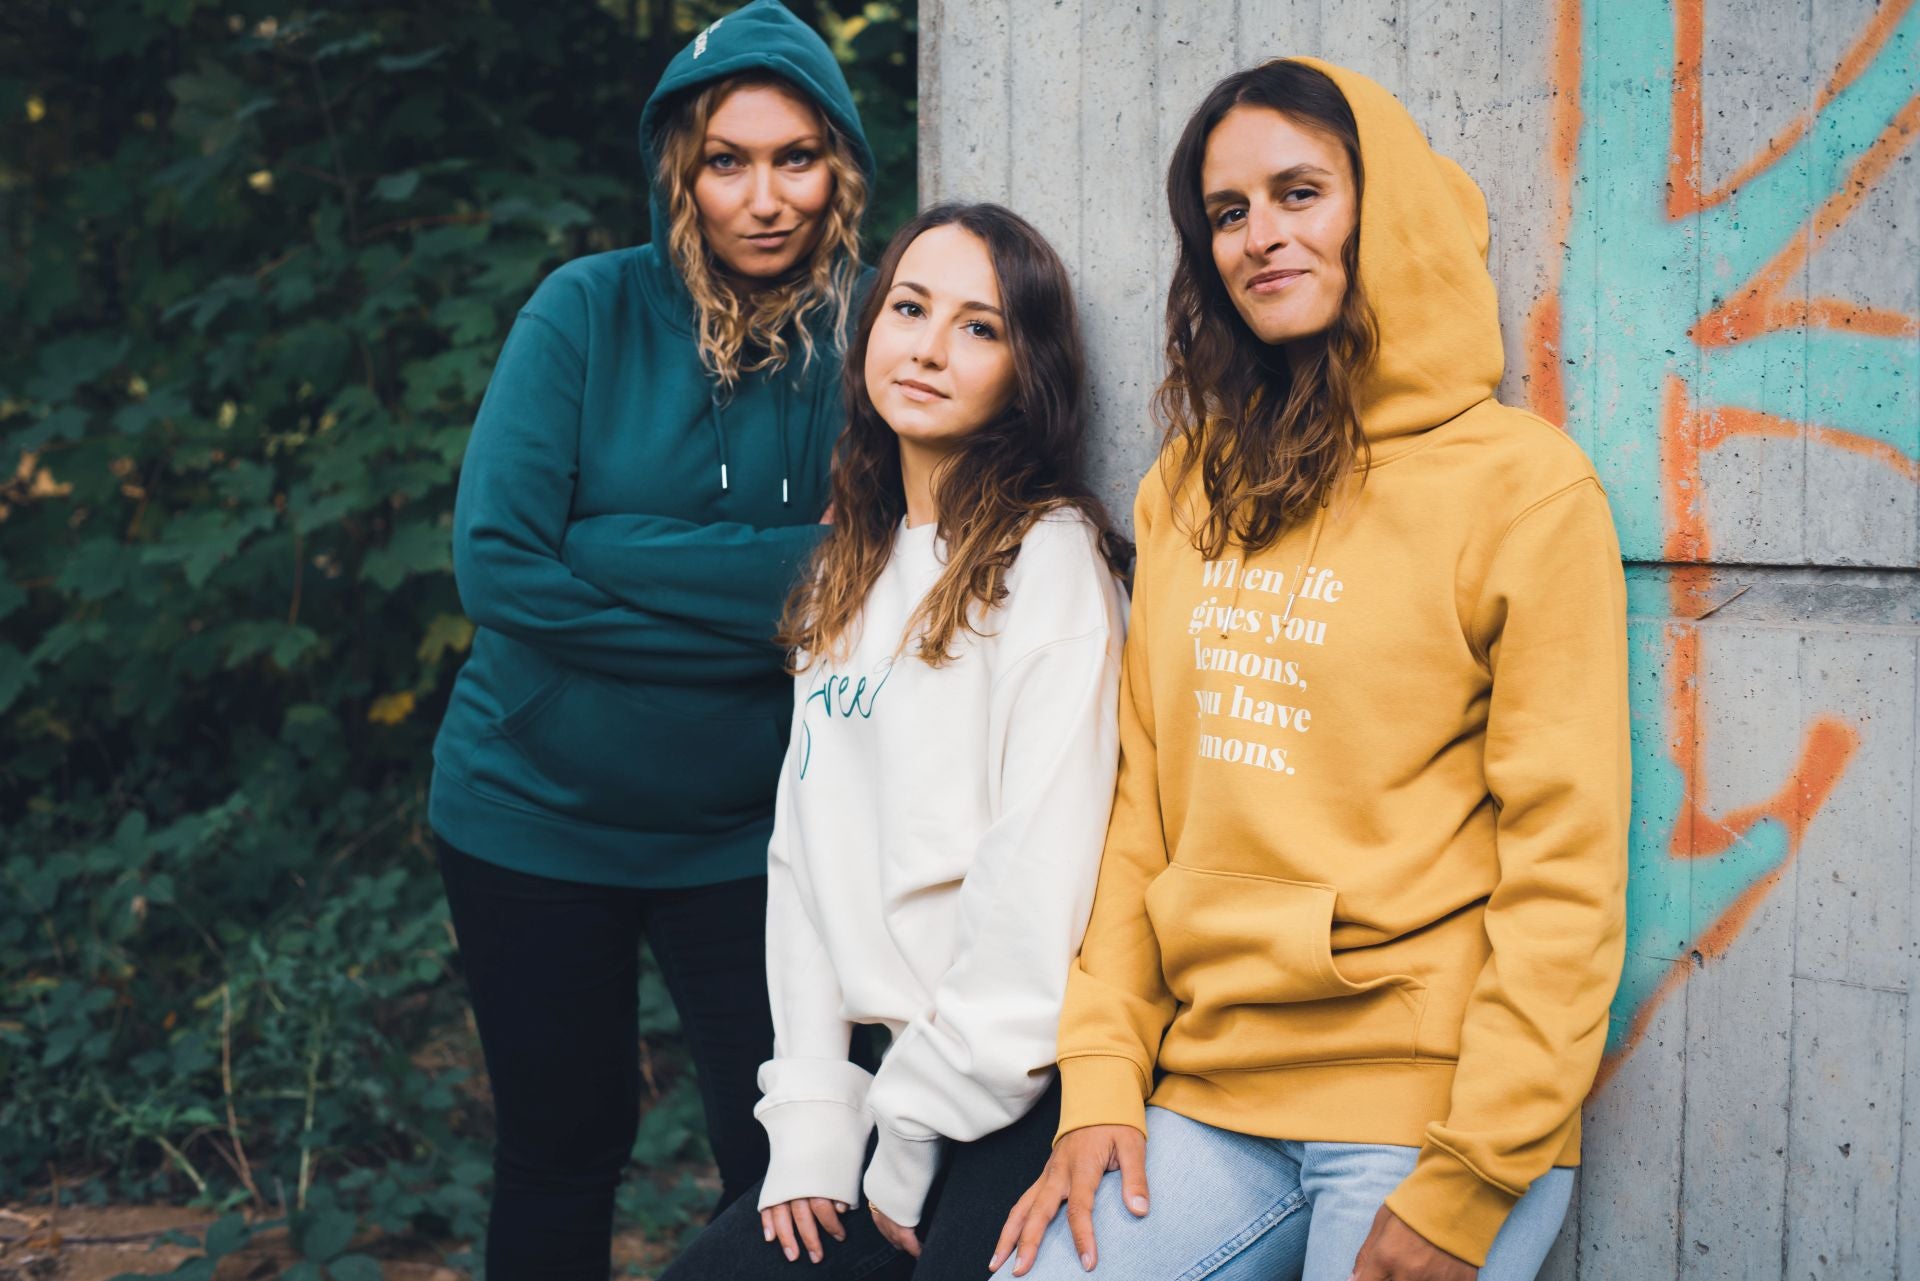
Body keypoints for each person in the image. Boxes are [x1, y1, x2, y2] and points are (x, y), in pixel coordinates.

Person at [993, 59, 1629, 1281]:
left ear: (1382, 207)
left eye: (1300, 193)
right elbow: (1142, 812)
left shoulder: (1521, 487)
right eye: (1228, 212)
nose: (1261, 237)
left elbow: (1567, 861)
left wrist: (1474, 1173)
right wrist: (1103, 1077)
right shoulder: (1188, 489)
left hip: (1431, 1107)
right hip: (1210, 1093)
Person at [426, 4, 871, 1276]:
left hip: (751, 836)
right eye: (728, 160)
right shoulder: (586, 311)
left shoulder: (872, 339)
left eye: (796, 157)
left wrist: (608, 545)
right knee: (562, 1146)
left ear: (840, 165)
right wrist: (775, 609)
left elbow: (875, 587)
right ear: (682, 168)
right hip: (529, 810)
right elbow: (499, 566)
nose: (764, 198)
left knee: (789, 1162)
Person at [658, 203, 1129, 1281]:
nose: (927, 347)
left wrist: (910, 1131)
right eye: (909, 308)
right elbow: (805, 860)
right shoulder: (848, 571)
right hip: (892, 1084)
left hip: (1014, 1088)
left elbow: (1039, 880)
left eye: (979, 327)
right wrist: (814, 1119)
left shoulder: (1046, 561)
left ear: (1026, 372)